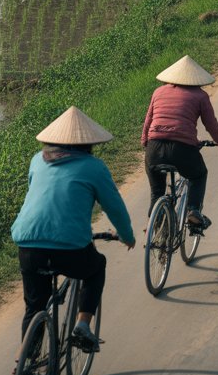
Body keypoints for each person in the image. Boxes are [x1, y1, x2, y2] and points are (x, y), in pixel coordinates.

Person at [11, 106, 135, 351]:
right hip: (70, 248)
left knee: (35, 305)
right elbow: (114, 207)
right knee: (96, 268)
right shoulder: (94, 167)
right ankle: (82, 325)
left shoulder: (37, 160)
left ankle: (26, 359)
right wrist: (126, 235)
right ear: (88, 144)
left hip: (28, 244)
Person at [141, 55, 218, 228]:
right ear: (196, 79)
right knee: (198, 175)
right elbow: (211, 125)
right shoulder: (200, 96)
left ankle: (154, 225)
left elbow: (148, 121)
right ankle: (193, 211)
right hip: (182, 149)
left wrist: (145, 142)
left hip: (154, 148)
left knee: (157, 192)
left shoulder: (158, 92)